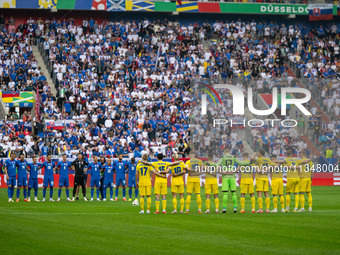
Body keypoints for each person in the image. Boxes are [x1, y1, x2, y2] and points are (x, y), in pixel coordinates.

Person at [216, 148, 250, 213]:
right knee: (233, 193)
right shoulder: (233, 157)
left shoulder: (223, 157)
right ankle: (235, 208)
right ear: (229, 151)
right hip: (232, 176)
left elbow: (217, 164)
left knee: (225, 193)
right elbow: (241, 163)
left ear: (224, 151)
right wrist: (249, 162)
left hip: (225, 177)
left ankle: (224, 208)